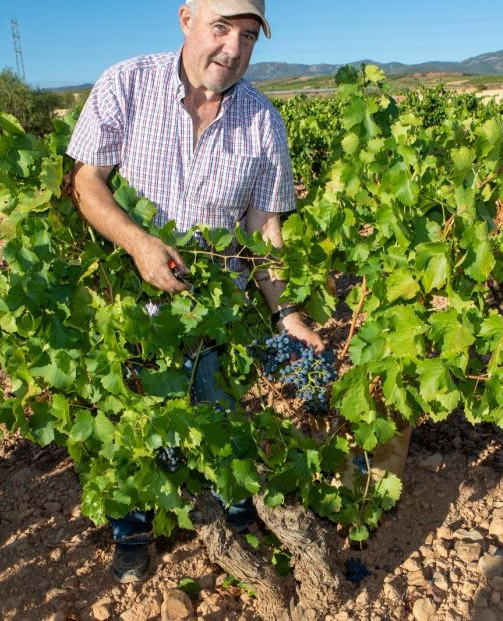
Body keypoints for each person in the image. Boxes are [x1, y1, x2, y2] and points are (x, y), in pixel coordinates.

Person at [66, 0, 324, 583]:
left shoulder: (263, 120)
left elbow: (265, 230)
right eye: (221, 27)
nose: (234, 48)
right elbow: (86, 183)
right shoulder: (125, 84)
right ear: (187, 19)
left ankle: (235, 517)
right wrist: (138, 243)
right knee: (133, 422)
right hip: (131, 308)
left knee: (221, 419)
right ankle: (133, 528)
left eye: (249, 35)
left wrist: (286, 311)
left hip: (216, 315)